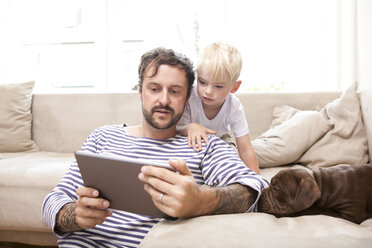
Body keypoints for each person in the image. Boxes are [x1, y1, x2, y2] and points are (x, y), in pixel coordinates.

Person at [42, 47, 268, 247]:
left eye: (175, 91)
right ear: (140, 91)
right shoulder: (102, 136)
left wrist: (200, 200)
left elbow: (255, 189)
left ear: (187, 97)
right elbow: (52, 202)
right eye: (154, 88)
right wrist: (75, 215)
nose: (164, 100)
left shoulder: (205, 145)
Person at [177, 42, 260, 174]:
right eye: (203, 82)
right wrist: (189, 127)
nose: (208, 91)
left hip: (220, 139)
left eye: (218, 86)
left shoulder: (234, 106)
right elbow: (176, 128)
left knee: (232, 158)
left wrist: (258, 182)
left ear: (234, 87)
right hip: (191, 140)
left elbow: (245, 148)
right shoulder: (189, 97)